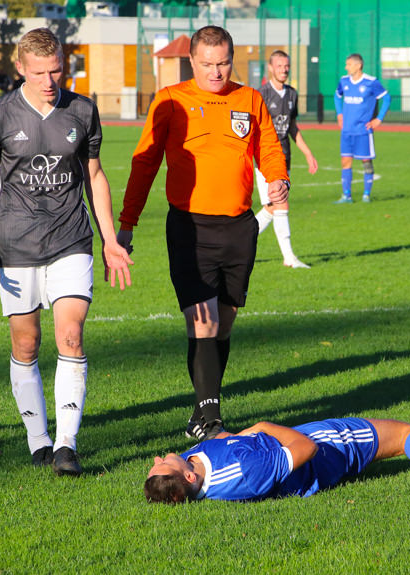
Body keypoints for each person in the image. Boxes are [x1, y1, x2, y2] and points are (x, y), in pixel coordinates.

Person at [0, 28, 133, 476]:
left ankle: (66, 446)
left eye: (56, 69)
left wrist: (110, 240)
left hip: (71, 240)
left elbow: (94, 177)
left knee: (71, 336)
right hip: (15, 244)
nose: (48, 79)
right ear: (20, 68)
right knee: (26, 342)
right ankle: (37, 438)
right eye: (38, 71)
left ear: (65, 64)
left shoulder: (82, 110)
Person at [118, 26, 288, 442]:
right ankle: (211, 421)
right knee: (204, 323)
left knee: (223, 324)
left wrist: (279, 177)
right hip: (189, 228)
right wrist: (127, 224)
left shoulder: (249, 99)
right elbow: (144, 164)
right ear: (192, 62)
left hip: (239, 227)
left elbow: (267, 146)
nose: (216, 72)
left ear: (234, 60)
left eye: (223, 63)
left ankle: (201, 407)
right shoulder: (171, 100)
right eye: (208, 64)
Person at [144, 417, 410, 503]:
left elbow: (219, 447)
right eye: (166, 463)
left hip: (297, 446)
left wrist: (234, 436)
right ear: (191, 479)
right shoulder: (246, 472)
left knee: (401, 438)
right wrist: (261, 427)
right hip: (325, 448)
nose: (161, 456)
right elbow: (304, 450)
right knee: (404, 435)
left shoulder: (194, 470)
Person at [253, 50, 318, 269]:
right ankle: (289, 257)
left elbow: (292, 127)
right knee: (280, 203)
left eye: (286, 66)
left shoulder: (292, 94)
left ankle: (241, 239)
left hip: (284, 157)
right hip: (265, 158)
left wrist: (308, 153)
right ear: (270, 68)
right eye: (279, 66)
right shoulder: (261, 94)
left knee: (272, 207)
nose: (284, 69)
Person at [334, 53, 391, 203]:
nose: (346, 67)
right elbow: (336, 96)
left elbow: (387, 98)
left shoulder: (371, 82)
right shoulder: (344, 81)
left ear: (358, 66)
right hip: (346, 131)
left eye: (349, 64)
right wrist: (340, 114)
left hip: (363, 131)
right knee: (345, 162)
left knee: (366, 162)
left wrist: (378, 119)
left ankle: (366, 195)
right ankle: (347, 195)